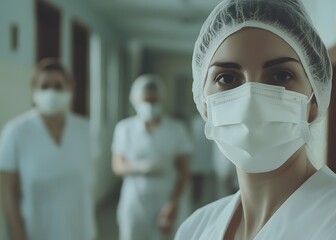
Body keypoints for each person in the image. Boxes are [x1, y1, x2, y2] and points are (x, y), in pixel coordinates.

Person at [175, 0, 336, 239]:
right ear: (204, 104)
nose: (251, 101)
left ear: (313, 101)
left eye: (280, 75)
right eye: (227, 78)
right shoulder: (194, 229)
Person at [0, 59, 96, 240]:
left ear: (70, 89)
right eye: (44, 86)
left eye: (58, 86)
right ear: (34, 90)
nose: (51, 92)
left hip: (79, 231)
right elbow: (8, 193)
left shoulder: (84, 130)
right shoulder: (16, 132)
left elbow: (85, 188)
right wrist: (17, 234)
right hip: (35, 231)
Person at [112, 74, 193, 240]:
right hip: (135, 201)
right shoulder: (125, 128)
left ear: (162, 100)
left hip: (167, 198)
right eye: (145, 100)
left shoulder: (176, 129)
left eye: (154, 100)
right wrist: (139, 167)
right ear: (135, 101)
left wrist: (173, 203)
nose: (149, 105)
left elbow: (184, 171)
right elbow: (117, 165)